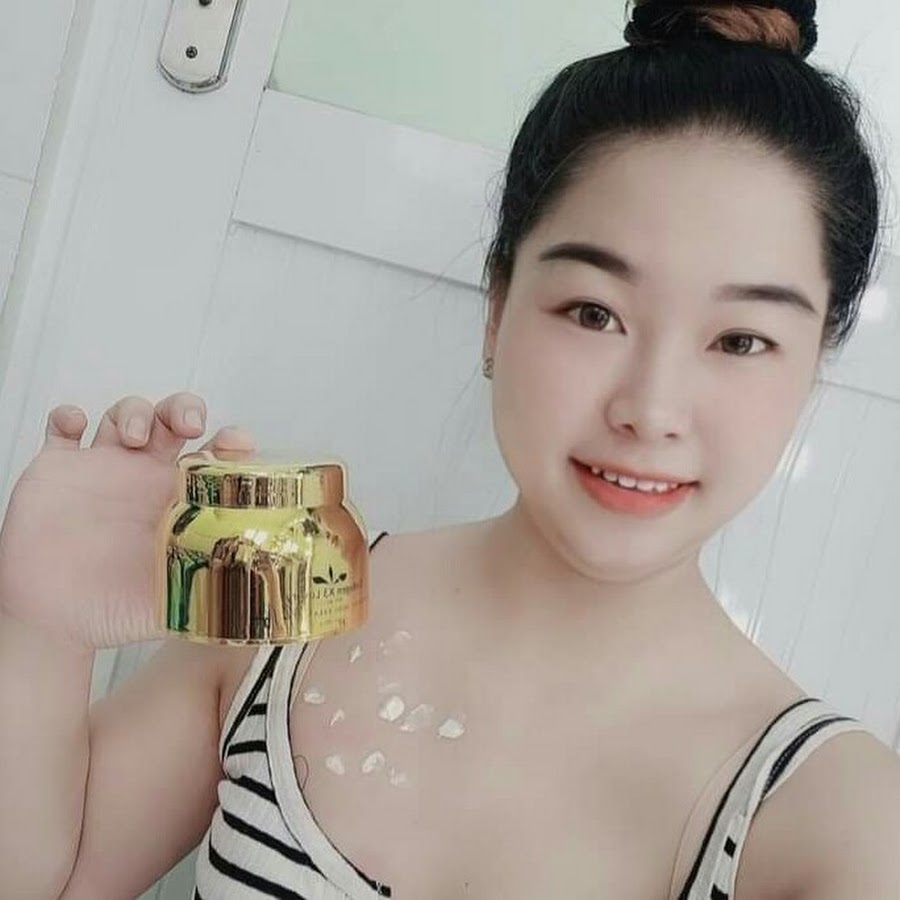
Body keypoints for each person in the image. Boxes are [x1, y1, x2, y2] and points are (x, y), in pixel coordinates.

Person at [2, 0, 900, 897]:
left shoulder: (837, 816)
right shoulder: (292, 586)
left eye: (741, 340)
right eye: (595, 313)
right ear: (498, 308)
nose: (651, 409)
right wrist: (42, 628)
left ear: (813, 370)